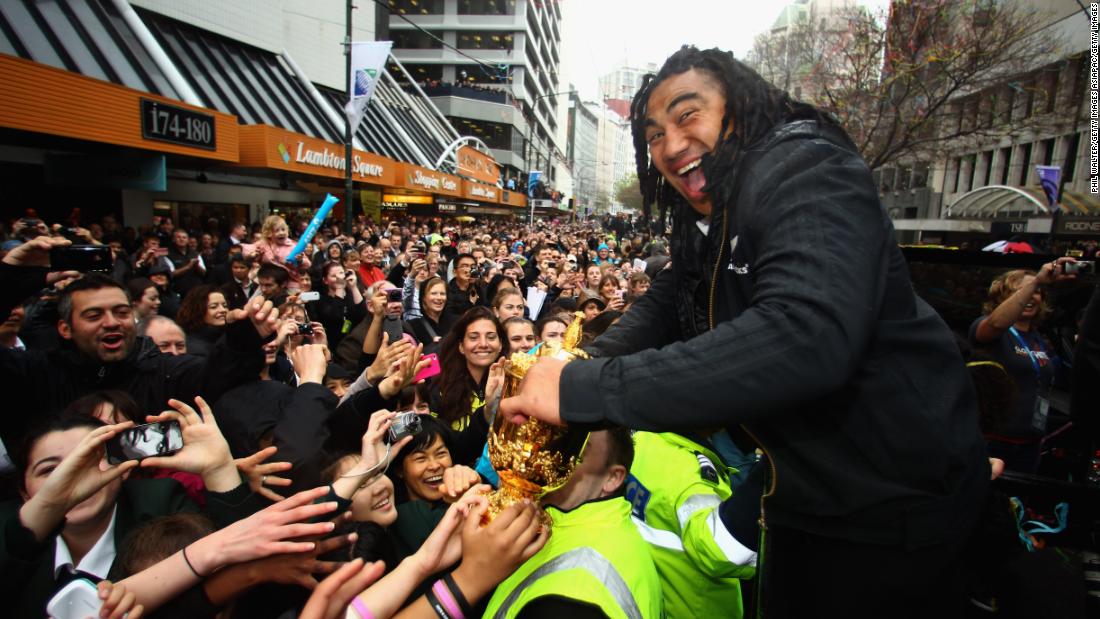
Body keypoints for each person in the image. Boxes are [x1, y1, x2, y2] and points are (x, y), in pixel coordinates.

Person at [501, 45, 989, 617]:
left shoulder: (804, 166)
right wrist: (566, 365)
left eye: (689, 115)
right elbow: (665, 305)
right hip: (801, 496)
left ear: (743, 110)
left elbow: (806, 332)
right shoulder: (705, 218)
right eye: (654, 134)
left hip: (892, 506)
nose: (671, 144)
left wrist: (583, 390)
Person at [483, 428, 663, 619]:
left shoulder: (574, 597)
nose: (549, 454)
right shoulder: (560, 521)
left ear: (612, 478)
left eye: (577, 450)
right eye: (554, 438)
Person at [627, 431, 758, 618]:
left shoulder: (645, 439)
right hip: (695, 610)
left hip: (654, 603)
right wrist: (770, 471)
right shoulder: (694, 477)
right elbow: (722, 551)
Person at [969, 261, 1076, 473]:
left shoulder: (1039, 338)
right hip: (993, 441)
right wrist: (1036, 280)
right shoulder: (990, 327)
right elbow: (995, 325)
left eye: (1036, 292)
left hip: (1030, 442)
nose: (1031, 296)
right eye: (1019, 291)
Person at [429, 307, 503, 464]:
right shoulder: (440, 386)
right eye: (474, 337)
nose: (483, 344)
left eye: (491, 337)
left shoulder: (512, 383)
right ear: (461, 346)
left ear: (501, 344)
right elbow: (448, 449)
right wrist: (487, 412)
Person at [308, 262, 367, 350]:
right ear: (325, 280)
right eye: (334, 276)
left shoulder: (351, 295)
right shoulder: (321, 301)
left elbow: (363, 314)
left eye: (341, 273)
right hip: (335, 345)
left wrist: (354, 287)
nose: (339, 278)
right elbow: (335, 317)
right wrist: (339, 287)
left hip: (356, 344)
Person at [175, 285, 230, 358]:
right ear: (197, 310)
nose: (223, 310)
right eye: (213, 307)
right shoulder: (195, 350)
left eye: (225, 305)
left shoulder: (228, 337)